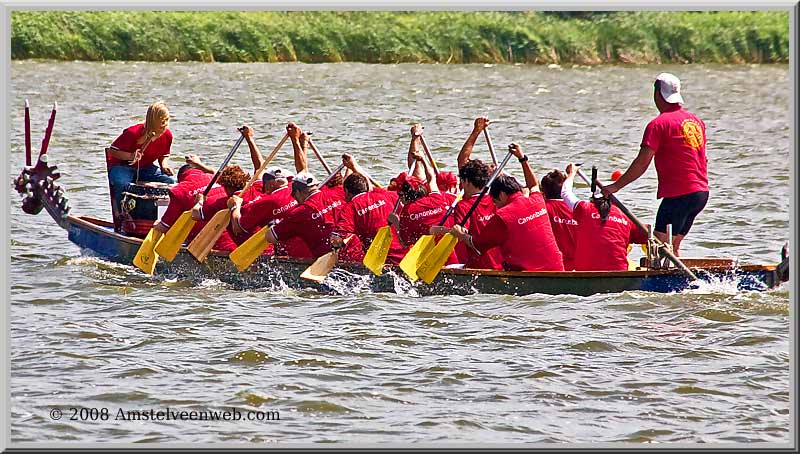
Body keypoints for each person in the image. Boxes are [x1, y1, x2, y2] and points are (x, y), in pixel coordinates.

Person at [602, 73, 708, 256]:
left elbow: (642, 163)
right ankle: (681, 282)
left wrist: (615, 187)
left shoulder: (658, 124)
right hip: (701, 194)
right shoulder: (695, 121)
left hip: (679, 195)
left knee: (658, 250)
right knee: (672, 250)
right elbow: (703, 159)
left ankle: (661, 284)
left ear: (658, 93)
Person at [448, 144, 564, 272]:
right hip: (557, 267)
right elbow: (533, 184)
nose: (495, 204)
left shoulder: (503, 215)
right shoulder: (536, 199)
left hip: (527, 274)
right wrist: (522, 158)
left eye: (495, 200)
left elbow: (476, 245)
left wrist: (460, 234)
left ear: (502, 194)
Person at [227, 125, 313, 258]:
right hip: (310, 244)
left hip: (291, 252)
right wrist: (298, 142)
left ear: (271, 184)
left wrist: (235, 206)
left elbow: (238, 228)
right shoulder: (297, 188)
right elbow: (303, 170)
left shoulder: (267, 201)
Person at [388, 126, 456, 265]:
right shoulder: (436, 197)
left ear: (402, 196)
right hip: (453, 257)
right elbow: (431, 177)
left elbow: (405, 242)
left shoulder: (407, 211)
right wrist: (423, 159)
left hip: (430, 262)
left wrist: (396, 222)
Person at [562, 163, 649, 271]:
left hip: (585, 272)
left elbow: (565, 193)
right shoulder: (625, 217)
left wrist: (571, 173)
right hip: (619, 273)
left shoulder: (584, 208)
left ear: (593, 198)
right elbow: (648, 236)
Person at [106, 101, 176, 230]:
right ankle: (124, 214)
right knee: (122, 183)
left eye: (166, 120)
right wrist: (130, 156)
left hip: (146, 167)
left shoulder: (167, 135)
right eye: (161, 121)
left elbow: (164, 154)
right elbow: (112, 151)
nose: (164, 124)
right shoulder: (133, 132)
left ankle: (163, 218)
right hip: (122, 166)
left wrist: (164, 165)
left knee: (170, 182)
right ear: (152, 120)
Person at [331, 154, 408, 264]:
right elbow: (370, 186)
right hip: (406, 255)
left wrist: (334, 246)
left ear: (347, 192)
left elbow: (337, 238)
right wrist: (354, 166)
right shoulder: (386, 194)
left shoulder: (350, 208)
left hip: (383, 261)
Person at [431, 159, 502, 270]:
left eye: (462, 181)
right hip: (503, 263)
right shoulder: (497, 199)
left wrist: (438, 230)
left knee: (448, 268)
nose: (461, 185)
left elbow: (460, 234)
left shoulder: (463, 205)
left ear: (467, 182)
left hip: (479, 265)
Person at [263, 170, 347, 260]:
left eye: (294, 195)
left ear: (298, 192)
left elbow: (271, 237)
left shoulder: (300, 212)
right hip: (353, 249)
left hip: (330, 259)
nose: (295, 199)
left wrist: (273, 224)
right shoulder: (337, 193)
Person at [189, 165, 249, 251]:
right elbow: (259, 166)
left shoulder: (223, 202)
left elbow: (195, 214)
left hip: (245, 249)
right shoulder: (255, 190)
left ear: (226, 187)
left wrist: (200, 201)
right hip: (265, 244)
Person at [153, 155, 214, 238]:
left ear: (180, 179)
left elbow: (164, 227)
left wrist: (155, 226)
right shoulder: (216, 179)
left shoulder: (179, 190)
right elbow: (214, 172)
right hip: (226, 232)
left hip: (200, 240)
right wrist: (198, 164)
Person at [540, 169, 579, 271]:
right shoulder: (579, 209)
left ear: (543, 191)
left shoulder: (541, 209)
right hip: (577, 267)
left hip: (552, 266)